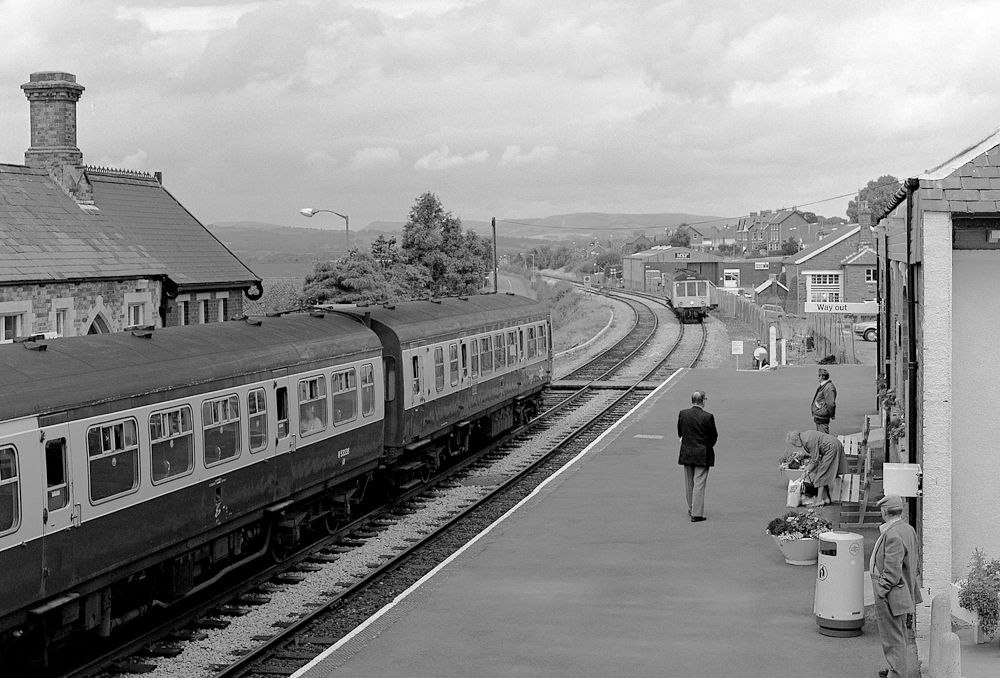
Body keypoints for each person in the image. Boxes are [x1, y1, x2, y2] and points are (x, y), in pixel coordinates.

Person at [871, 495, 921, 678]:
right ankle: (895, 668)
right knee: (899, 634)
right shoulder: (907, 529)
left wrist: (881, 589)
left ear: (885, 512)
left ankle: (897, 673)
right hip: (903, 590)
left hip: (891, 593)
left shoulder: (892, 534)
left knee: (892, 638)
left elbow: (892, 570)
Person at [677, 390, 718, 522]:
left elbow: (680, 432)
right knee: (699, 482)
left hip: (687, 452)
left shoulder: (683, 414)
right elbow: (713, 436)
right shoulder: (708, 416)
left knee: (689, 482)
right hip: (702, 453)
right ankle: (697, 513)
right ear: (703, 400)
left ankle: (691, 507)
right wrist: (707, 446)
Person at [785, 429, 848, 506]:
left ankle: (819, 500)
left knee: (821, 474)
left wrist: (806, 472)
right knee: (822, 472)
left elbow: (815, 459)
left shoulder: (807, 441)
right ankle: (825, 498)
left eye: (794, 444)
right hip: (833, 444)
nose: (795, 446)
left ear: (797, 439)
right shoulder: (805, 436)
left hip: (831, 448)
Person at [811, 368, 837, 433]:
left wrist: (831, 414)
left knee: (823, 437)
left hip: (822, 416)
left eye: (819, 376)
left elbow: (831, 403)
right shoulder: (825, 386)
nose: (818, 378)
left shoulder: (828, 387)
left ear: (822, 377)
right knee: (821, 436)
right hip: (820, 416)